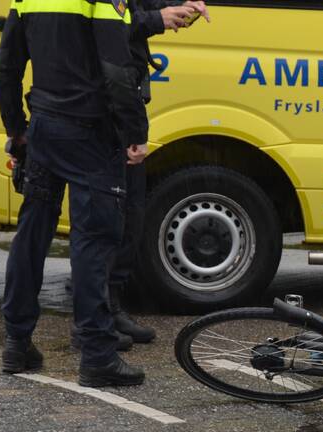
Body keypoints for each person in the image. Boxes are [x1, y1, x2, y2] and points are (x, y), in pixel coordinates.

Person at [0, 0, 149, 387]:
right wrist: (135, 133)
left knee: (32, 234)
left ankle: (17, 343)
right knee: (94, 241)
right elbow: (116, 71)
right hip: (91, 134)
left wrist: (17, 128)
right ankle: (97, 354)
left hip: (44, 130)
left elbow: (6, 66)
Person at [104, 0, 210, 345]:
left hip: (124, 104)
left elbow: (139, 11)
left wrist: (178, 9)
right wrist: (156, 19)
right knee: (108, 220)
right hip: (107, 109)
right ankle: (95, 319)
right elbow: (105, 30)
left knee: (131, 217)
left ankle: (111, 307)